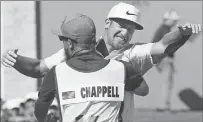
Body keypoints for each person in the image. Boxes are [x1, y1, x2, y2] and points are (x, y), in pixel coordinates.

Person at [1, 2, 202, 122]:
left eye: (131, 29)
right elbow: (38, 68)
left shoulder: (134, 54)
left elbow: (162, 46)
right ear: (107, 23)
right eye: (121, 25)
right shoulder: (76, 50)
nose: (125, 32)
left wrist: (182, 33)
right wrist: (15, 60)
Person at [34, 13, 143, 122]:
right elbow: (143, 90)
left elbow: (39, 113)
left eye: (62, 39)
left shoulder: (56, 73)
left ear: (70, 43)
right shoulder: (122, 68)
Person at [151, 10, 180, 111]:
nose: (175, 22)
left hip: (163, 59)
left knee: (167, 82)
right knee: (166, 82)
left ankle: (164, 104)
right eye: (173, 20)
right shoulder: (164, 30)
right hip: (164, 59)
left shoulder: (164, 29)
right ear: (168, 20)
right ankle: (162, 105)